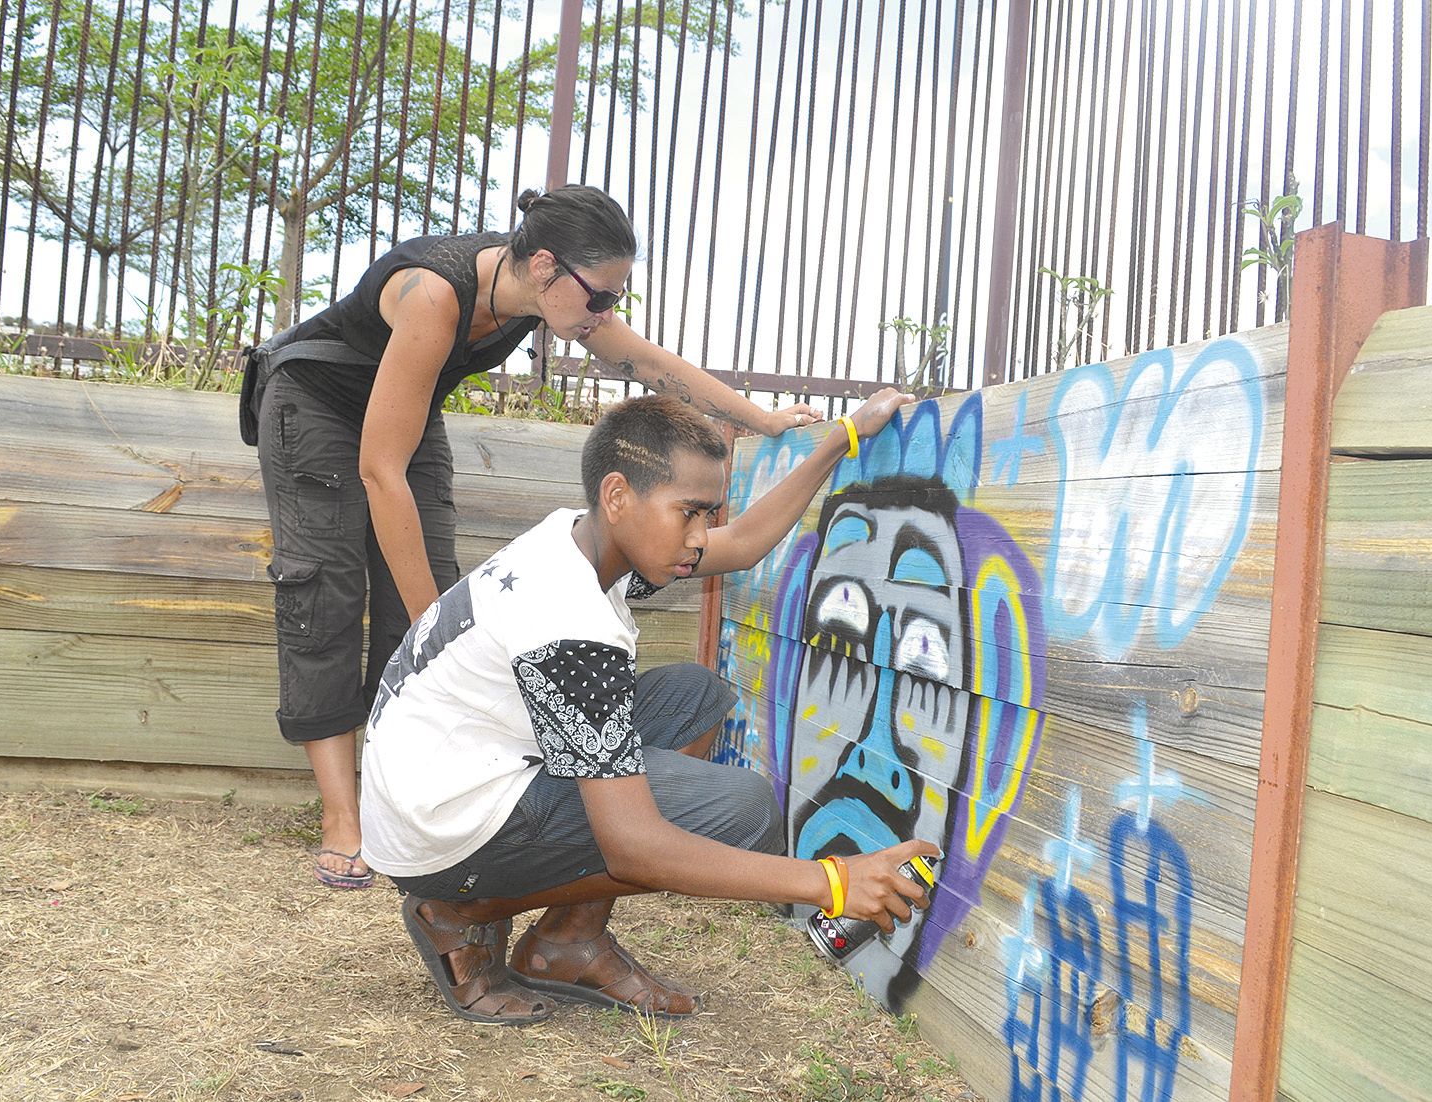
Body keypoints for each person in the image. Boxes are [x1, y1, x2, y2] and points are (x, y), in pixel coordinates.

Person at [248, 185, 824, 888]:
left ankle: (426, 783)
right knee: (327, 593)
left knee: (426, 578)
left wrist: (761, 421)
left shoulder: (544, 293)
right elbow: (379, 470)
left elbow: (647, 363)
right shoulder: (436, 294)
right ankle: (345, 815)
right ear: (547, 266)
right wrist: (440, 639)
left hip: (405, 401)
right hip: (314, 399)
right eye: (601, 298)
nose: (605, 313)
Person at [357, 388, 944, 1024]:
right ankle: (461, 911)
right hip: (442, 826)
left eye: (707, 514)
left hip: (448, 769)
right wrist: (833, 883)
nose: (700, 536)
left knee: (696, 697)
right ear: (618, 495)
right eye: (689, 513)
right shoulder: (567, 617)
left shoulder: (578, 540)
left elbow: (741, 543)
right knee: (739, 809)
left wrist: (840, 438)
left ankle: (566, 939)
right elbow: (634, 846)